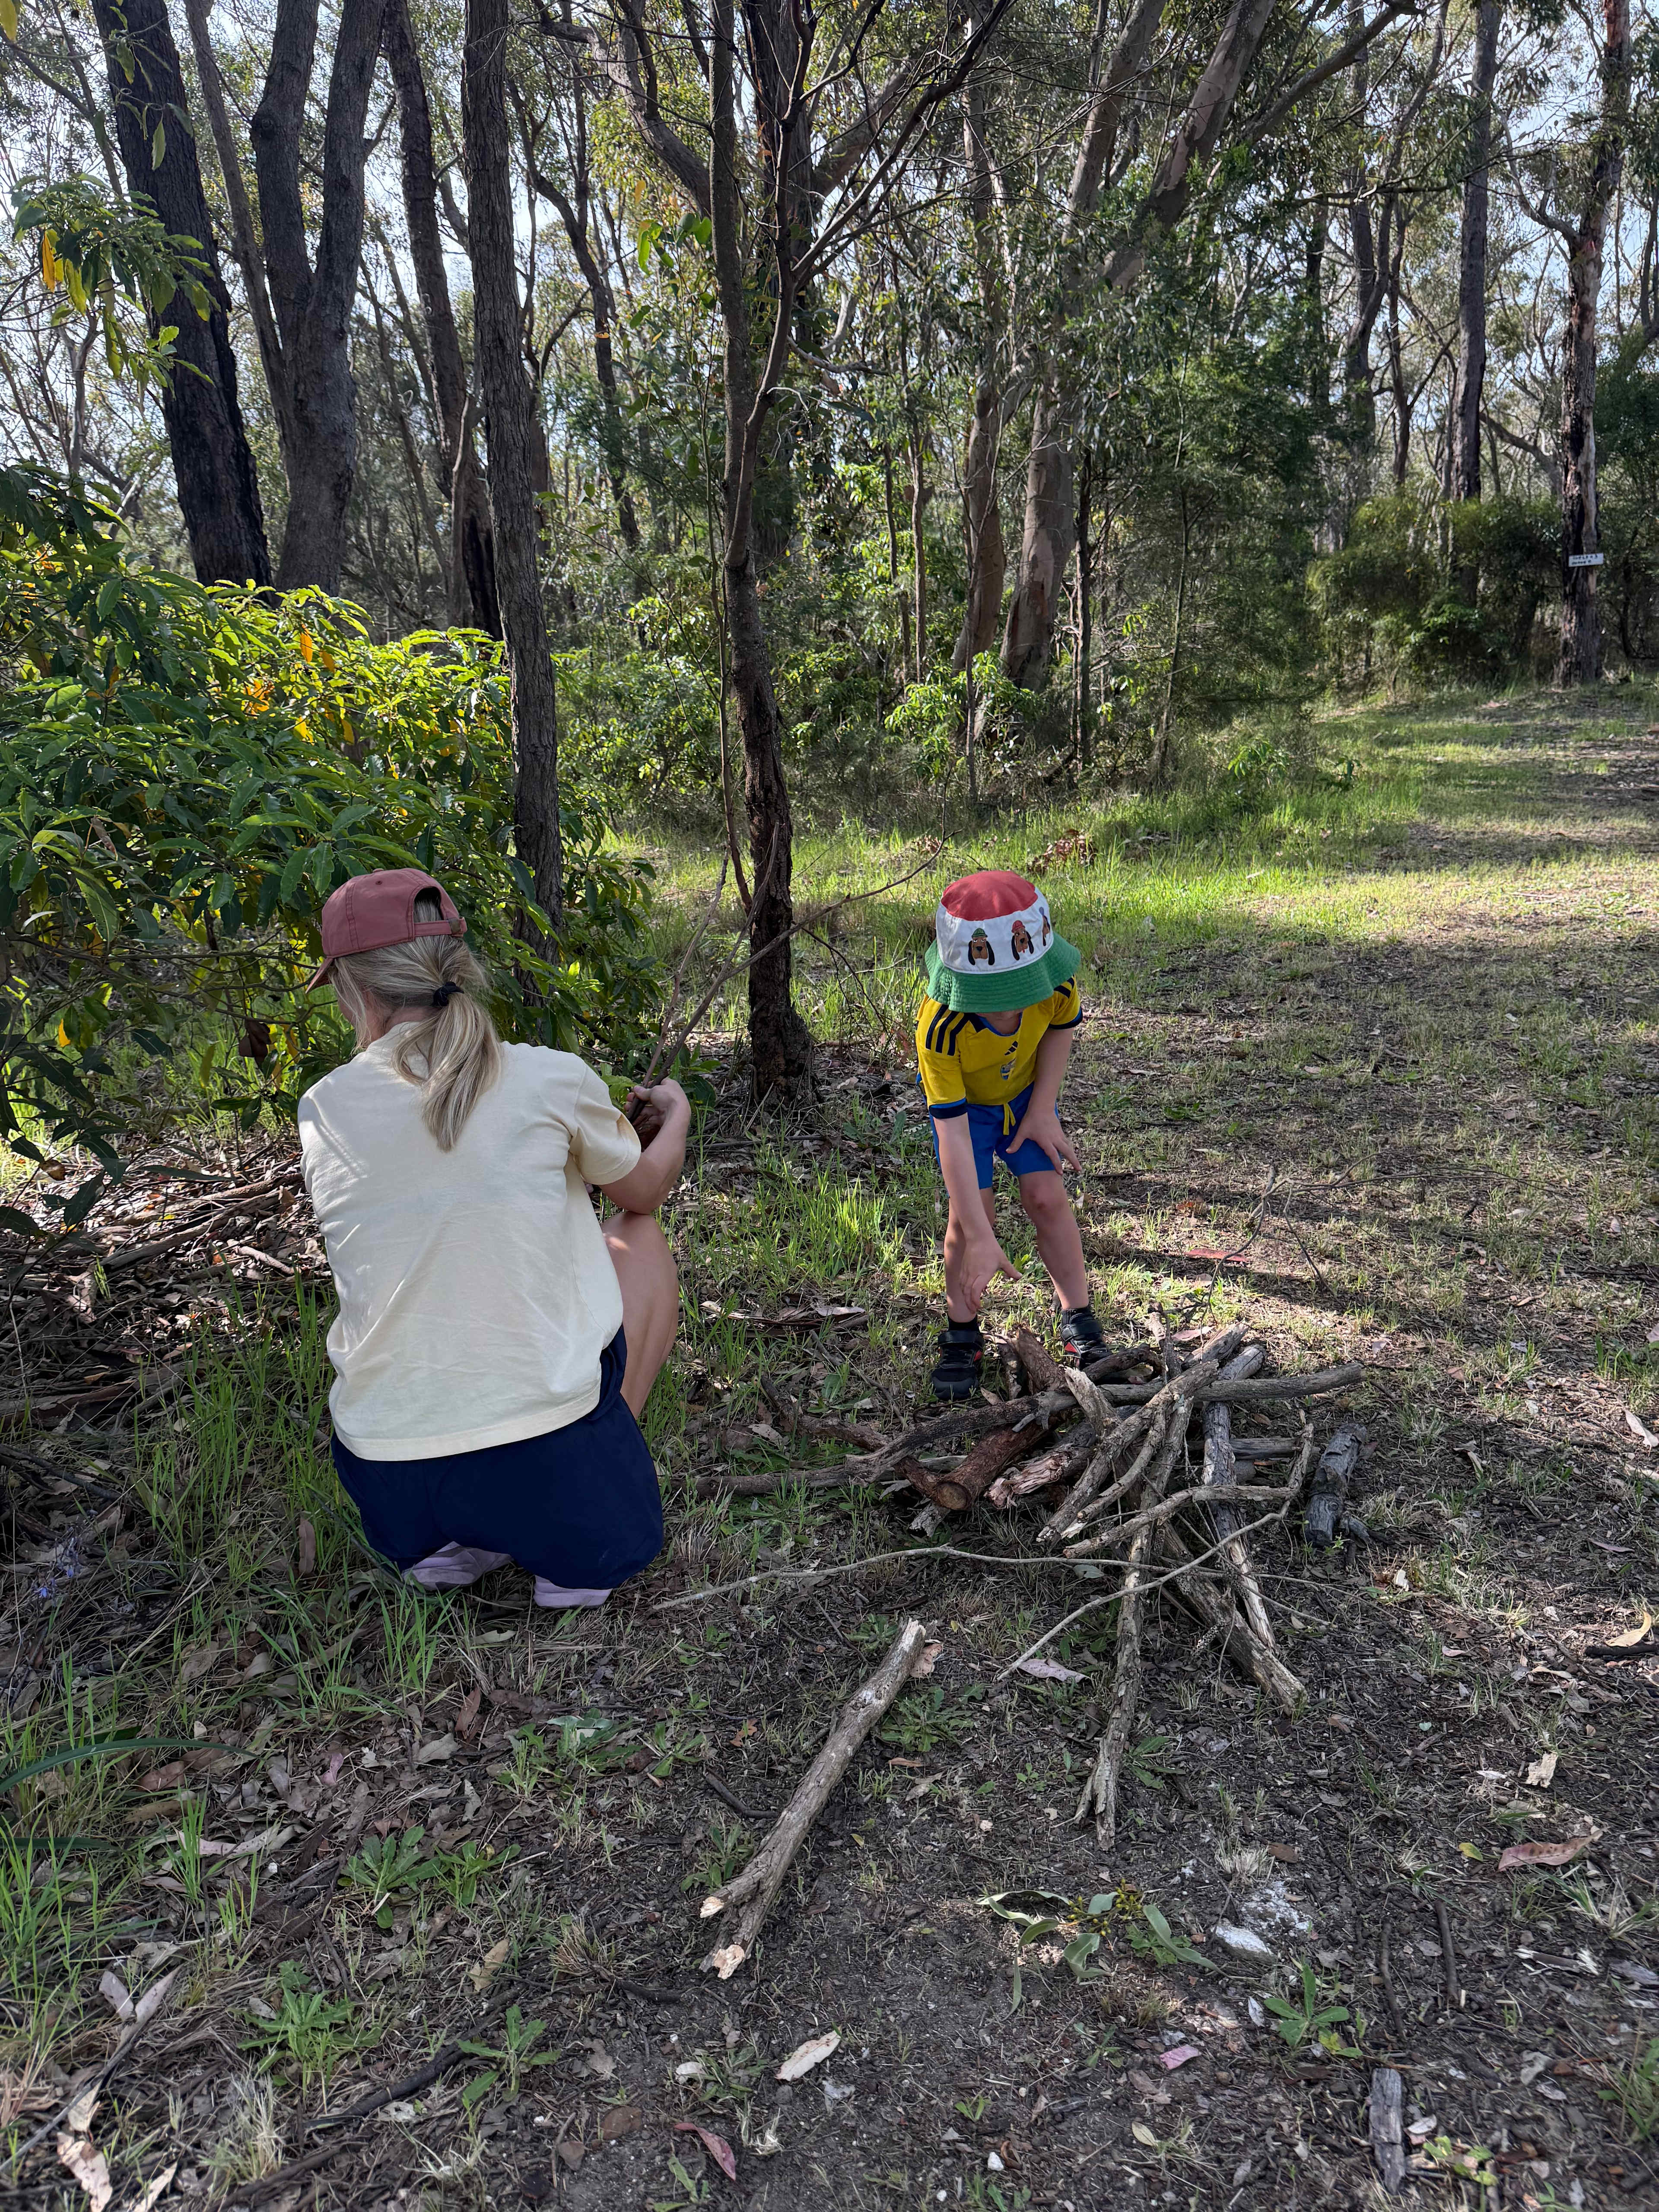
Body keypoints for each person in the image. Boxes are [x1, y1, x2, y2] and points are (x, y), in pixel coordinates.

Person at [296, 867, 689, 1608]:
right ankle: (576, 1500)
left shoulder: (321, 1109)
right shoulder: (547, 1077)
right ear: (459, 967)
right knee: (635, 1228)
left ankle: (454, 1546)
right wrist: (678, 1117)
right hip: (547, 1466)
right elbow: (646, 1189)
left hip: (392, 1483)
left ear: (354, 989)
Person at [915, 868, 1103, 1401]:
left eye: (1022, 990)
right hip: (968, 1115)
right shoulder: (941, 1026)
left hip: (1025, 1098)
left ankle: (1079, 1317)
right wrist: (978, 1232)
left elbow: (1063, 1027)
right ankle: (961, 1332)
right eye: (997, 995)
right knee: (972, 1218)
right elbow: (949, 1131)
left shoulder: (1054, 983)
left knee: (1047, 1195)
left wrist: (1043, 1108)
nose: (1014, 1006)